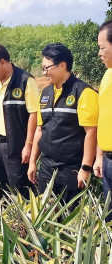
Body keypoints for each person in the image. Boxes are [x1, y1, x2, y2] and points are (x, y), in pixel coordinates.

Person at [28, 43, 98, 204]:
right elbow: (40, 130)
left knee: (69, 217)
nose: (44, 72)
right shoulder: (46, 93)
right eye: (42, 68)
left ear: (62, 65)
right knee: (45, 212)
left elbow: (91, 133)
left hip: (71, 168)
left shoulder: (83, 92)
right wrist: (33, 162)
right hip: (46, 166)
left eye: (47, 68)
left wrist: (85, 168)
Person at [0, 43, 39, 198]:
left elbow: (34, 114)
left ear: (2, 62)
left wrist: (29, 144)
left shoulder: (25, 81)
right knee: (2, 185)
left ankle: (24, 219)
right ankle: (5, 219)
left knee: (19, 187)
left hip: (17, 146)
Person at [94, 20, 112, 221]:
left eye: (102, 47)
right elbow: (104, 117)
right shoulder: (107, 75)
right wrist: (99, 155)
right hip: (108, 160)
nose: (100, 53)